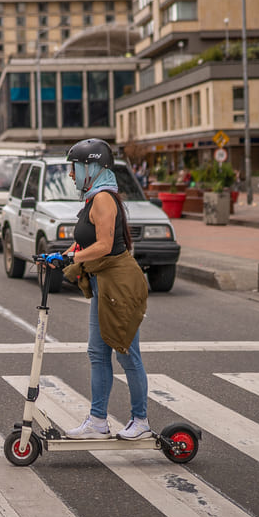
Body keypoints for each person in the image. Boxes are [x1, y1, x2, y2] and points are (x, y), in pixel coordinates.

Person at [49, 138, 152, 440]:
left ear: (92, 167)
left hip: (119, 283)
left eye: (75, 168)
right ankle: (97, 421)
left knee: (127, 353)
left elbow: (105, 245)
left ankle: (141, 421)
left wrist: (73, 258)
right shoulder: (93, 199)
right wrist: (58, 254)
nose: (71, 174)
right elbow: (85, 241)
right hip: (102, 281)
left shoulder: (104, 199)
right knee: (97, 352)